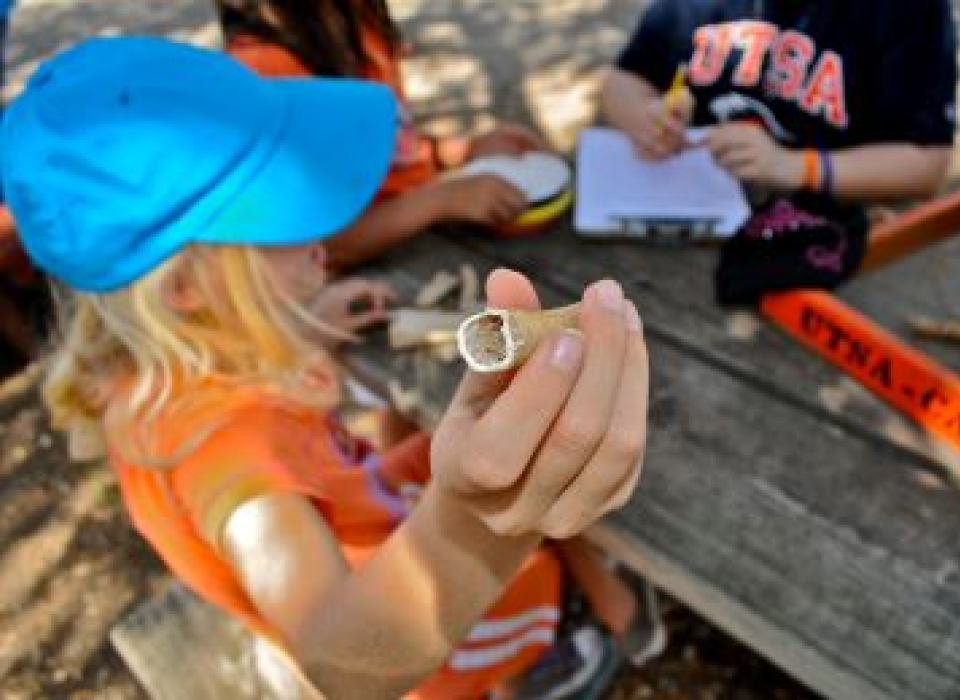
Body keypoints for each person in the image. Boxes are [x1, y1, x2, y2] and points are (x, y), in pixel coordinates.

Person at [2, 37, 648, 698]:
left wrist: (301, 319)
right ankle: (528, 669)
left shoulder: (149, 373)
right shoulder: (231, 457)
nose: (326, 241)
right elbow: (345, 663)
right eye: (290, 218)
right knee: (532, 569)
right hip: (407, 641)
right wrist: (483, 524)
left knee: (439, 445)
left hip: (358, 513)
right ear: (184, 291)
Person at [601, 0, 957, 304]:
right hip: (679, 238)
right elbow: (624, 80)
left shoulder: (909, 9)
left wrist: (795, 167)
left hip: (834, 253)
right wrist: (645, 118)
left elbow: (928, 165)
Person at [213, 0, 546, 268]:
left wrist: (455, 151)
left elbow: (388, 139)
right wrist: (441, 200)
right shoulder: (263, 72)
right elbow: (317, 242)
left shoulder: (359, 17)